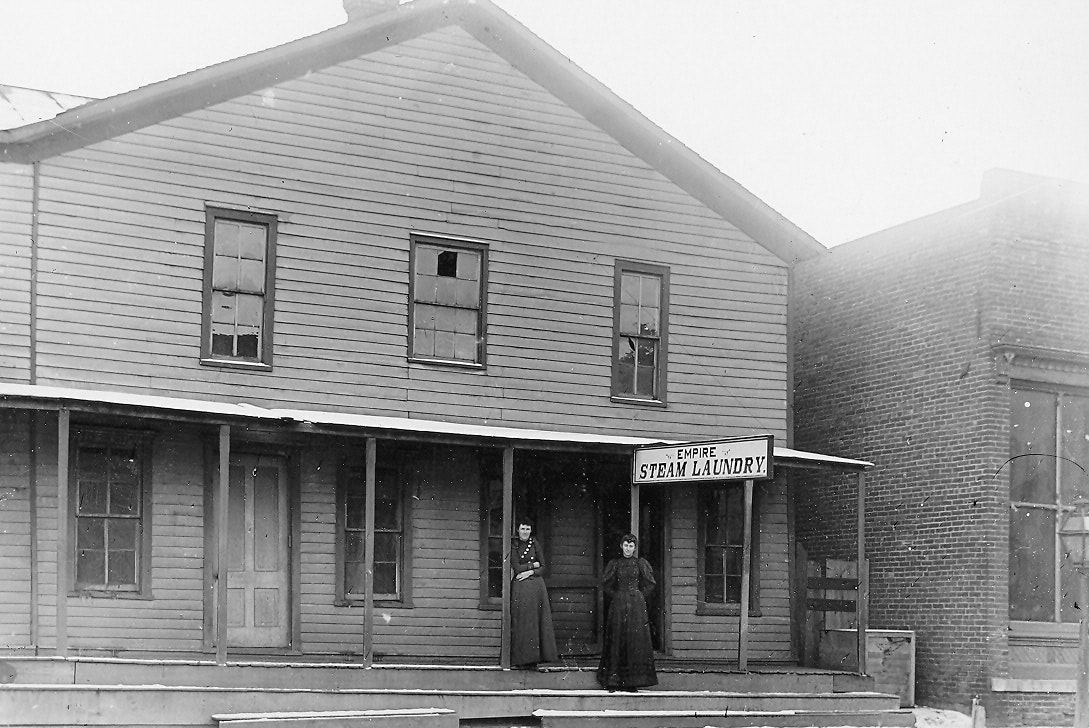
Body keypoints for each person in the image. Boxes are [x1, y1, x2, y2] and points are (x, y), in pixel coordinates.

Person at [597, 533, 657, 691]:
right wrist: (617, 595)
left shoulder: (640, 563)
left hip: (636, 606)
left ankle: (632, 682)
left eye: (631, 546)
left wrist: (638, 595)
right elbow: (606, 585)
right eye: (626, 545)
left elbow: (650, 583)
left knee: (634, 640)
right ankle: (613, 681)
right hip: (619, 605)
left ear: (634, 548)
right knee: (617, 638)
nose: (628, 548)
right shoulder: (615, 563)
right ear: (621, 546)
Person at [509, 518, 559, 668]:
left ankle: (535, 659)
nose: (525, 532)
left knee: (536, 622)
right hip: (521, 587)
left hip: (537, 587)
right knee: (523, 622)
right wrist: (533, 565)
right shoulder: (514, 545)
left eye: (528, 529)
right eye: (522, 529)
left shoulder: (534, 543)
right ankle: (522, 659)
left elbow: (543, 567)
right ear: (518, 530)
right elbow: (517, 568)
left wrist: (530, 571)